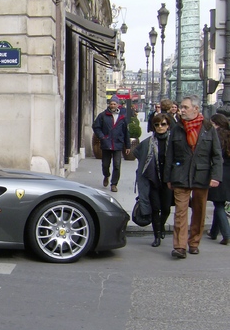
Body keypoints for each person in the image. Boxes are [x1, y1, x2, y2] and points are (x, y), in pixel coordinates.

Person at [164, 95, 223, 259]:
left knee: (199, 211)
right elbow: (170, 155)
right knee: (180, 213)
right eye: (181, 107)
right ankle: (179, 246)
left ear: (196, 109)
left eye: (185, 107)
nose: (182, 110)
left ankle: (194, 242)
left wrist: (216, 176)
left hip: (201, 176)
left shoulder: (208, 128)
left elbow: (217, 155)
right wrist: (168, 177)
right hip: (180, 175)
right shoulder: (177, 128)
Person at [134, 113, 173, 247]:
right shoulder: (147, 143)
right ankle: (156, 236)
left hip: (168, 181)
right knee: (155, 209)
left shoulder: (173, 142)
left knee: (166, 208)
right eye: (157, 124)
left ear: (168, 125)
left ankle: (161, 226)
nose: (160, 127)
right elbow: (138, 155)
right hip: (153, 180)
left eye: (163, 124)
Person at [92, 95, 131, 192]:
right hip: (106, 144)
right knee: (105, 164)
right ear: (109, 105)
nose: (112, 105)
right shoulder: (103, 115)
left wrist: (128, 146)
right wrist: (102, 137)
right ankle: (106, 175)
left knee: (117, 165)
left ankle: (114, 184)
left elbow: (126, 131)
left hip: (118, 144)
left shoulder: (122, 117)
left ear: (118, 105)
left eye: (114, 104)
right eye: (111, 104)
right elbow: (96, 126)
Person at [206, 114, 230, 245]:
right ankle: (214, 232)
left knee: (219, 204)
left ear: (216, 124)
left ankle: (227, 234)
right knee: (219, 203)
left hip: (219, 173)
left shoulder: (216, 136)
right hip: (228, 174)